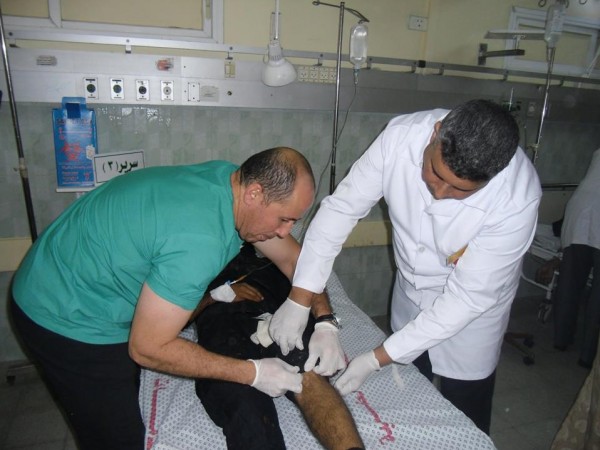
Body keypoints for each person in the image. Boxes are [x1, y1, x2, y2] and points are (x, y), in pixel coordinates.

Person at [10, 147, 344, 449]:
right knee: (118, 436)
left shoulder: (231, 184)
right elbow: (147, 349)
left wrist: (325, 321)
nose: (286, 231)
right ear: (255, 193)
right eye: (284, 219)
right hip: (62, 311)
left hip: (69, 269)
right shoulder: (199, 240)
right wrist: (253, 373)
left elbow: (296, 262)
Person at [268, 99, 542, 434]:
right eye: (435, 172)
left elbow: (468, 299)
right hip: (411, 290)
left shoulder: (517, 199)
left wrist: (375, 358)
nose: (439, 192)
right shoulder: (400, 138)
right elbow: (341, 211)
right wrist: (300, 298)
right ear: (436, 135)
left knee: (466, 402)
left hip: (472, 318)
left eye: (460, 190)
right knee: (413, 382)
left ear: (493, 177)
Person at [191, 243, 364, 450]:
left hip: (276, 315)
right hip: (223, 321)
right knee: (241, 397)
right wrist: (213, 297)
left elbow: (307, 275)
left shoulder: (267, 260)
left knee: (308, 372)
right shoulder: (186, 263)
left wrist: (325, 323)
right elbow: (168, 323)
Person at [550, 148, 600, 368]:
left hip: (579, 209)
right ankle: (588, 356)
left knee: (569, 283)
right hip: (587, 212)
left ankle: (561, 340)